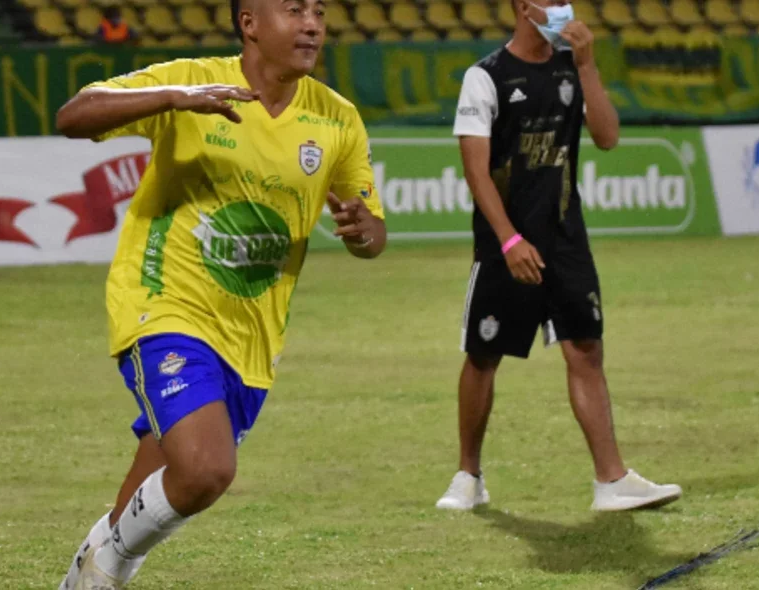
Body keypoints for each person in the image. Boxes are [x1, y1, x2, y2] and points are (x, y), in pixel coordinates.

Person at [53, 0, 386, 587]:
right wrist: (171, 99)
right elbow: (75, 115)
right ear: (249, 23)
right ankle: (107, 563)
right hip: (164, 305)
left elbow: (373, 232)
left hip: (252, 338)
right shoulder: (189, 84)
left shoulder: (338, 120)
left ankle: (92, 569)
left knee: (159, 488)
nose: (311, 24)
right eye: (293, 10)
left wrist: (366, 231)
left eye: (318, 11)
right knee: (206, 470)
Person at [436, 0, 682, 513]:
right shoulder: (485, 77)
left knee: (585, 350)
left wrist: (588, 65)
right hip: (507, 242)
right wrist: (507, 240)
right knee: (484, 356)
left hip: (566, 237)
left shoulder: (573, 66)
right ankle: (468, 475)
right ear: (523, 7)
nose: (561, 6)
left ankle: (611, 481)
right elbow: (477, 172)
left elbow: (608, 137)